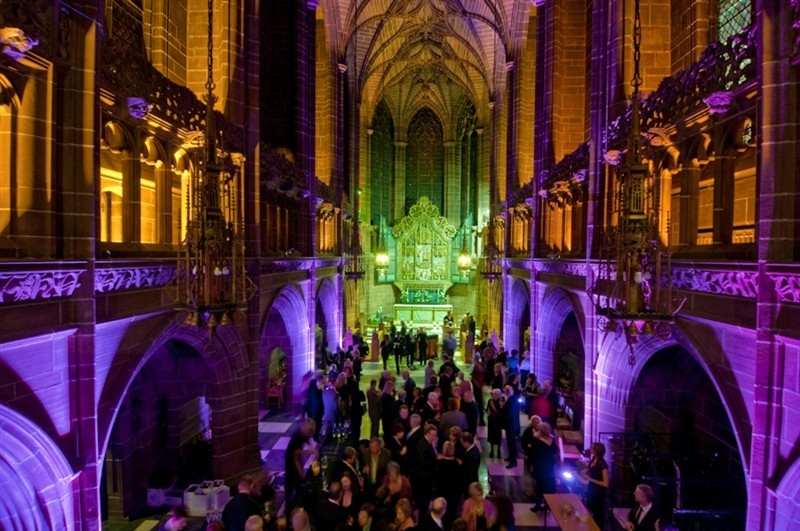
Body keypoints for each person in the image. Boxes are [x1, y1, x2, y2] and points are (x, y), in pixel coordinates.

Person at [284, 419, 317, 504]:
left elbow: (307, 439)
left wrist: (312, 448)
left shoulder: (303, 434)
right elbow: (295, 455)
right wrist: (300, 472)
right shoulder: (296, 438)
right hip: (291, 462)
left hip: (295, 459)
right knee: (293, 482)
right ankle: (290, 503)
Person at [528, 423, 558, 512]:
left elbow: (533, 455)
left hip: (540, 467)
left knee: (539, 487)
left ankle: (537, 505)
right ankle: (547, 505)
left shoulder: (538, 443)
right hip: (550, 467)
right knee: (548, 486)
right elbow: (554, 452)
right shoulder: (552, 440)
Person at [580, 441, 610, 529]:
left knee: (597, 512)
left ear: (596, 451)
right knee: (590, 508)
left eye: (592, 448)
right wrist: (586, 470)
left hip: (599, 492)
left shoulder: (603, 465)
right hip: (592, 488)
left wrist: (589, 479)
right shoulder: (594, 459)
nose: (590, 449)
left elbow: (605, 483)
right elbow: (591, 468)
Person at [500, 385, 520, 468]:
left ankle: (513, 461)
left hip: (510, 425)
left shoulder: (510, 401)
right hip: (513, 424)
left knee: (511, 443)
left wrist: (502, 408)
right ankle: (510, 457)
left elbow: (508, 414)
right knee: (510, 442)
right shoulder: (513, 399)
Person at [486, 388, 504, 458]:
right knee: (491, 435)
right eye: (493, 394)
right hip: (491, 420)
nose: (493, 396)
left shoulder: (501, 401)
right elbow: (487, 408)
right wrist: (487, 410)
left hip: (498, 421)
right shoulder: (490, 401)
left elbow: (502, 411)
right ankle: (492, 450)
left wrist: (501, 407)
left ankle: (499, 450)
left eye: (495, 394)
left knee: (498, 435)